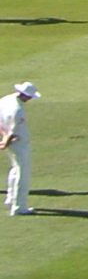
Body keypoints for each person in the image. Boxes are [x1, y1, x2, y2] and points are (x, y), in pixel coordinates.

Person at [0, 81, 34, 216]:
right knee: (22, 173)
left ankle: (10, 198)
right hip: (18, 143)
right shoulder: (17, 110)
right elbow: (13, 132)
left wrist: (3, 138)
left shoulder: (6, 99)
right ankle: (19, 206)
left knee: (15, 169)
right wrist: (5, 142)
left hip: (9, 139)